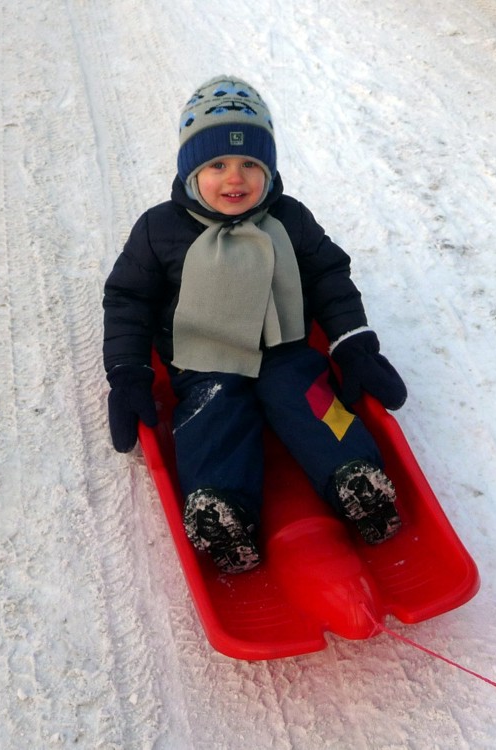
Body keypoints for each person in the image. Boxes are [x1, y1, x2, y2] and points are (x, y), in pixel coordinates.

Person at [103, 75, 407, 573]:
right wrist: (127, 372)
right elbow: (128, 300)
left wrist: (354, 343)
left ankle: (357, 480)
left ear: (269, 170)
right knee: (212, 414)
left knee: (314, 401)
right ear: (189, 171)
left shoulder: (290, 218)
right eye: (217, 164)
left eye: (250, 164)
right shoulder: (159, 229)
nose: (235, 178)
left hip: (284, 349)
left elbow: (329, 275)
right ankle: (222, 511)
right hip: (203, 359)